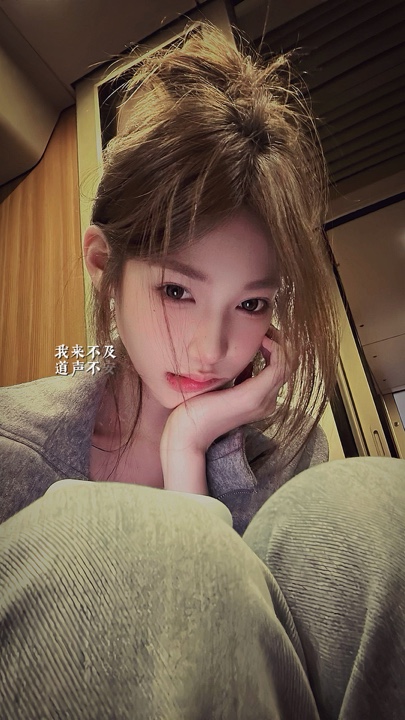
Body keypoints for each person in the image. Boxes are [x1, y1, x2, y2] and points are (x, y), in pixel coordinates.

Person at [0, 21, 404, 720]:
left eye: (250, 304)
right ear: (103, 266)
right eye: (177, 290)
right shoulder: (10, 444)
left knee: (372, 502)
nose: (211, 350)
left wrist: (188, 445)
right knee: (99, 530)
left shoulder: (286, 452)